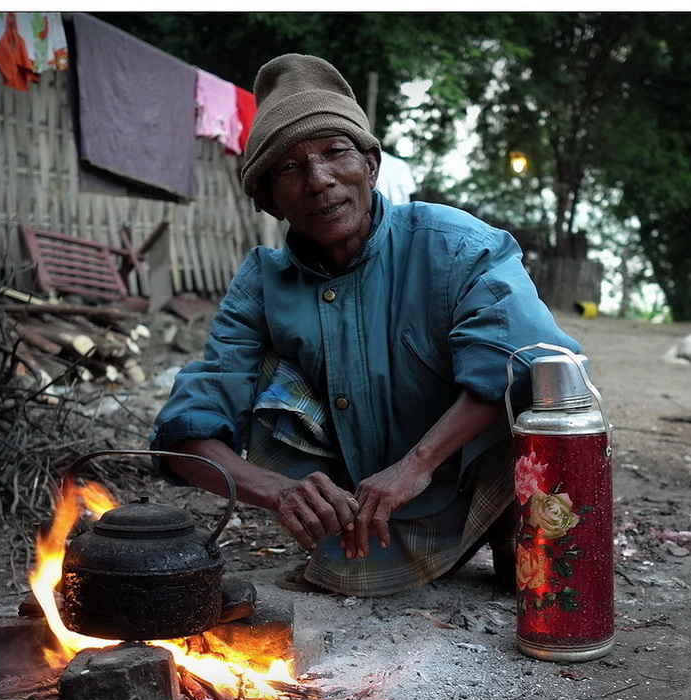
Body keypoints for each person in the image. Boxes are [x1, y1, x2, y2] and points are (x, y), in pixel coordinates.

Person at [150, 53, 581, 596]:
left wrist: (417, 465)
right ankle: (370, 540)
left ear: (371, 166)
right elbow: (187, 430)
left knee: (536, 372)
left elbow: (531, 362)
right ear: (267, 199)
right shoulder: (261, 283)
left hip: (476, 479)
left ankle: (501, 526)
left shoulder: (454, 245)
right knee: (260, 371)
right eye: (289, 168)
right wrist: (280, 491)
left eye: (335, 152)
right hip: (364, 514)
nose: (319, 180)